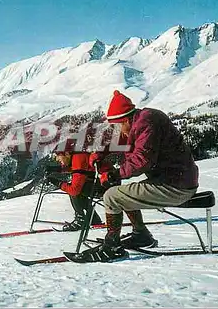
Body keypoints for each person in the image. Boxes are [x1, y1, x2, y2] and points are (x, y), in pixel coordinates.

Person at [78, 90, 199, 262]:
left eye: (116, 125)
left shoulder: (146, 123)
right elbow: (122, 140)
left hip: (175, 186)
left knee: (112, 196)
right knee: (121, 193)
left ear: (125, 120)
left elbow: (142, 160)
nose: (115, 130)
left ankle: (112, 246)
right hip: (175, 180)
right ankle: (141, 234)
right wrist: (101, 152)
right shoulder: (140, 120)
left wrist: (114, 174)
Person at [45, 140, 110, 231]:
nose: (56, 159)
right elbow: (78, 170)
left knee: (75, 191)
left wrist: (56, 182)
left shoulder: (79, 159)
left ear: (66, 153)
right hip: (107, 183)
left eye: (57, 156)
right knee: (80, 189)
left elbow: (74, 189)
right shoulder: (78, 156)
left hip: (105, 186)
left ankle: (81, 220)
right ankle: (93, 219)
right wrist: (57, 169)